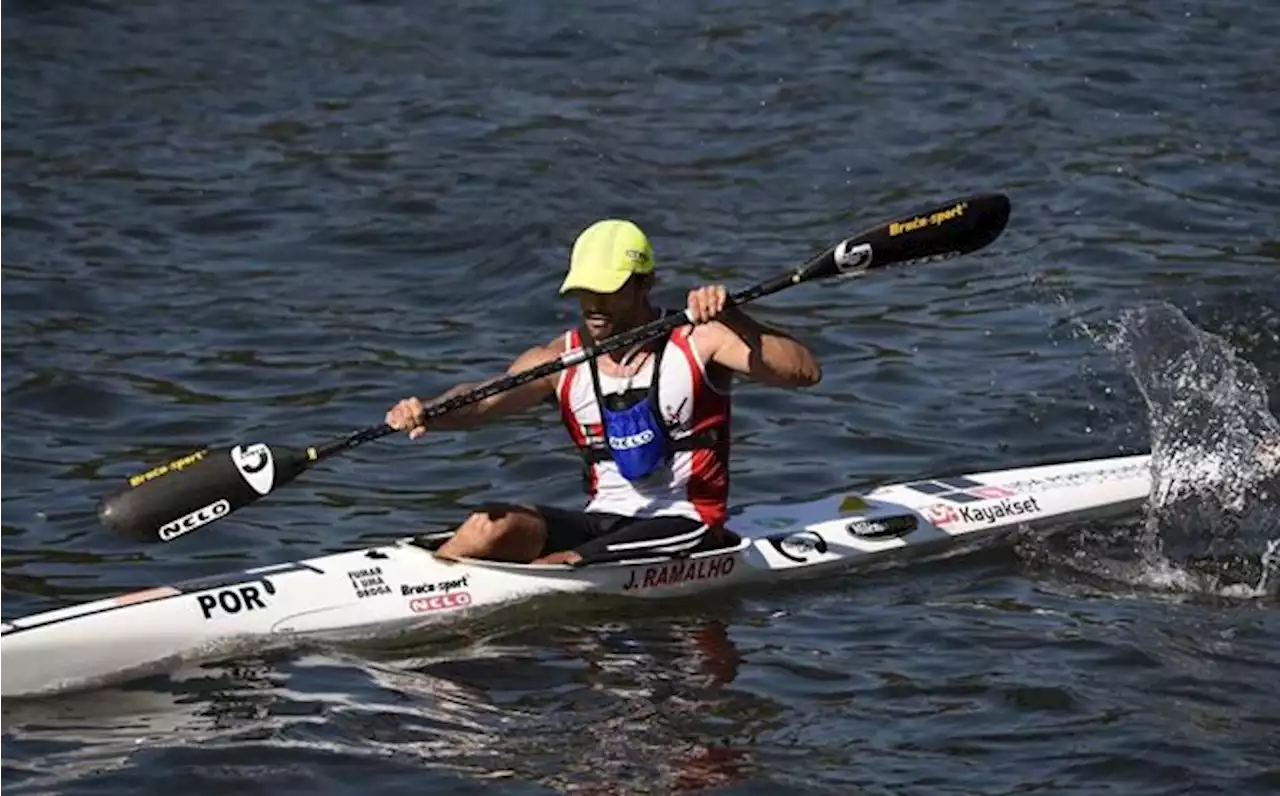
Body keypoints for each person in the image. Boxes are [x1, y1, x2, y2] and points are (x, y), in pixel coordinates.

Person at [385, 218, 822, 565]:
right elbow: (482, 399)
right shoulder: (560, 358)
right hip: (602, 519)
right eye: (585, 291)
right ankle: (432, 591)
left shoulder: (700, 339)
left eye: (608, 292)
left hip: (687, 520)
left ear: (644, 283)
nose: (594, 305)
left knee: (561, 563)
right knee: (486, 527)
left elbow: (804, 372)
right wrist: (429, 410)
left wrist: (737, 320)